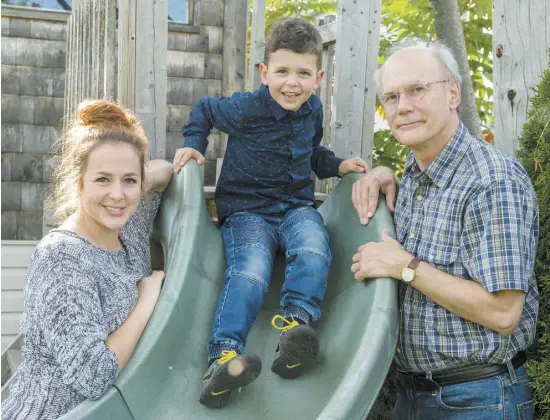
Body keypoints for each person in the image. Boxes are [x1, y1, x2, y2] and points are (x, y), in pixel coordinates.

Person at [173, 17, 368, 408]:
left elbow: (312, 156)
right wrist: (194, 144)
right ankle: (224, 357)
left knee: (314, 247)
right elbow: (205, 110)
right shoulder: (247, 109)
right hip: (247, 211)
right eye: (282, 71)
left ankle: (295, 333)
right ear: (264, 73)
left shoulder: (312, 111)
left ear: (318, 77)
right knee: (251, 271)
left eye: (302, 73)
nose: (291, 83)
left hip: (295, 207)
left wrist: (338, 165)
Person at [350, 39, 539, 419]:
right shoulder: (416, 174)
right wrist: (385, 177)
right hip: (412, 395)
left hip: (480, 398)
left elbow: (503, 313)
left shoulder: (492, 182)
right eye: (391, 97)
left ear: (453, 93)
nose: (403, 107)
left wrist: (405, 266)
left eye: (417, 90)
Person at [2, 100, 173, 420]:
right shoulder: (61, 259)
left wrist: (174, 165)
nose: (118, 195)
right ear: (78, 181)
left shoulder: (128, 230)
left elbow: (162, 173)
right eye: (103, 179)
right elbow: (93, 376)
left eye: (129, 180)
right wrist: (146, 299)